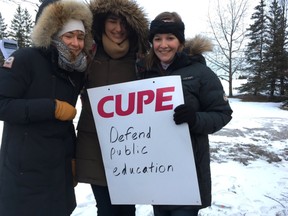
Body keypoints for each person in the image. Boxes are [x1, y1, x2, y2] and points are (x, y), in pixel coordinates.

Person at [0, 0, 93, 215]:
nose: (76, 43)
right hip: (23, 174)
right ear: (52, 34)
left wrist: (72, 158)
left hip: (58, 172)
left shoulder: (75, 70)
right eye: (69, 36)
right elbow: (2, 104)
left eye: (80, 37)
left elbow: (66, 121)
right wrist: (51, 108)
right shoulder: (24, 59)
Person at [136, 12, 233, 216]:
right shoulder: (143, 71)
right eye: (157, 39)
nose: (164, 44)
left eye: (170, 38)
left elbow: (222, 113)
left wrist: (195, 119)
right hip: (156, 170)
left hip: (188, 173)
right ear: (151, 42)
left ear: (180, 41)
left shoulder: (200, 72)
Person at [75, 0, 149, 215]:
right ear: (102, 23)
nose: (118, 29)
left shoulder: (142, 56)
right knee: (105, 208)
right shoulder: (87, 54)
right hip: (93, 143)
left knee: (126, 207)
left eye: (124, 23)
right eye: (112, 21)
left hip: (132, 144)